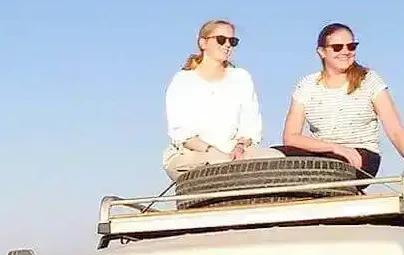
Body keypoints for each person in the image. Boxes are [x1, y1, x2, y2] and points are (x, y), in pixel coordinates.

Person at [275, 23, 404, 178]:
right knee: (273, 155)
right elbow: (291, 137)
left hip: (359, 156)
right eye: (337, 47)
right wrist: (335, 148)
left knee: (327, 167)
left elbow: (396, 131)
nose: (346, 52)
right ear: (322, 52)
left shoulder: (369, 80)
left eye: (351, 46)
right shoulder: (306, 85)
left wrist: (343, 151)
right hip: (322, 153)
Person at [163, 18, 282, 180]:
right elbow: (182, 134)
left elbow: (250, 124)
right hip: (195, 153)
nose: (227, 45)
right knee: (220, 167)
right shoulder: (183, 80)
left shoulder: (242, 77)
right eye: (221, 39)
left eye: (232, 41)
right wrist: (215, 153)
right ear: (203, 43)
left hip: (236, 151)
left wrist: (240, 147)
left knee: (277, 160)